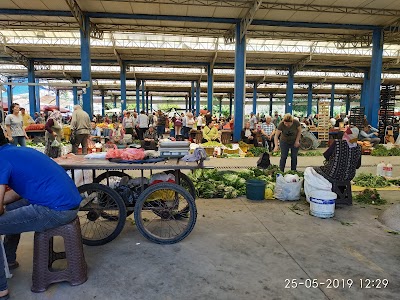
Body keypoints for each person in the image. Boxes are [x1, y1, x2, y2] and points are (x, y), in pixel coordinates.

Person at [0, 128, 81, 300]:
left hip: (56, 209)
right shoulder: (17, 151)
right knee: (13, 209)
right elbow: (18, 192)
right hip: (66, 202)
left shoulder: (1, 160)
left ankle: (1, 289)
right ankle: (8, 258)